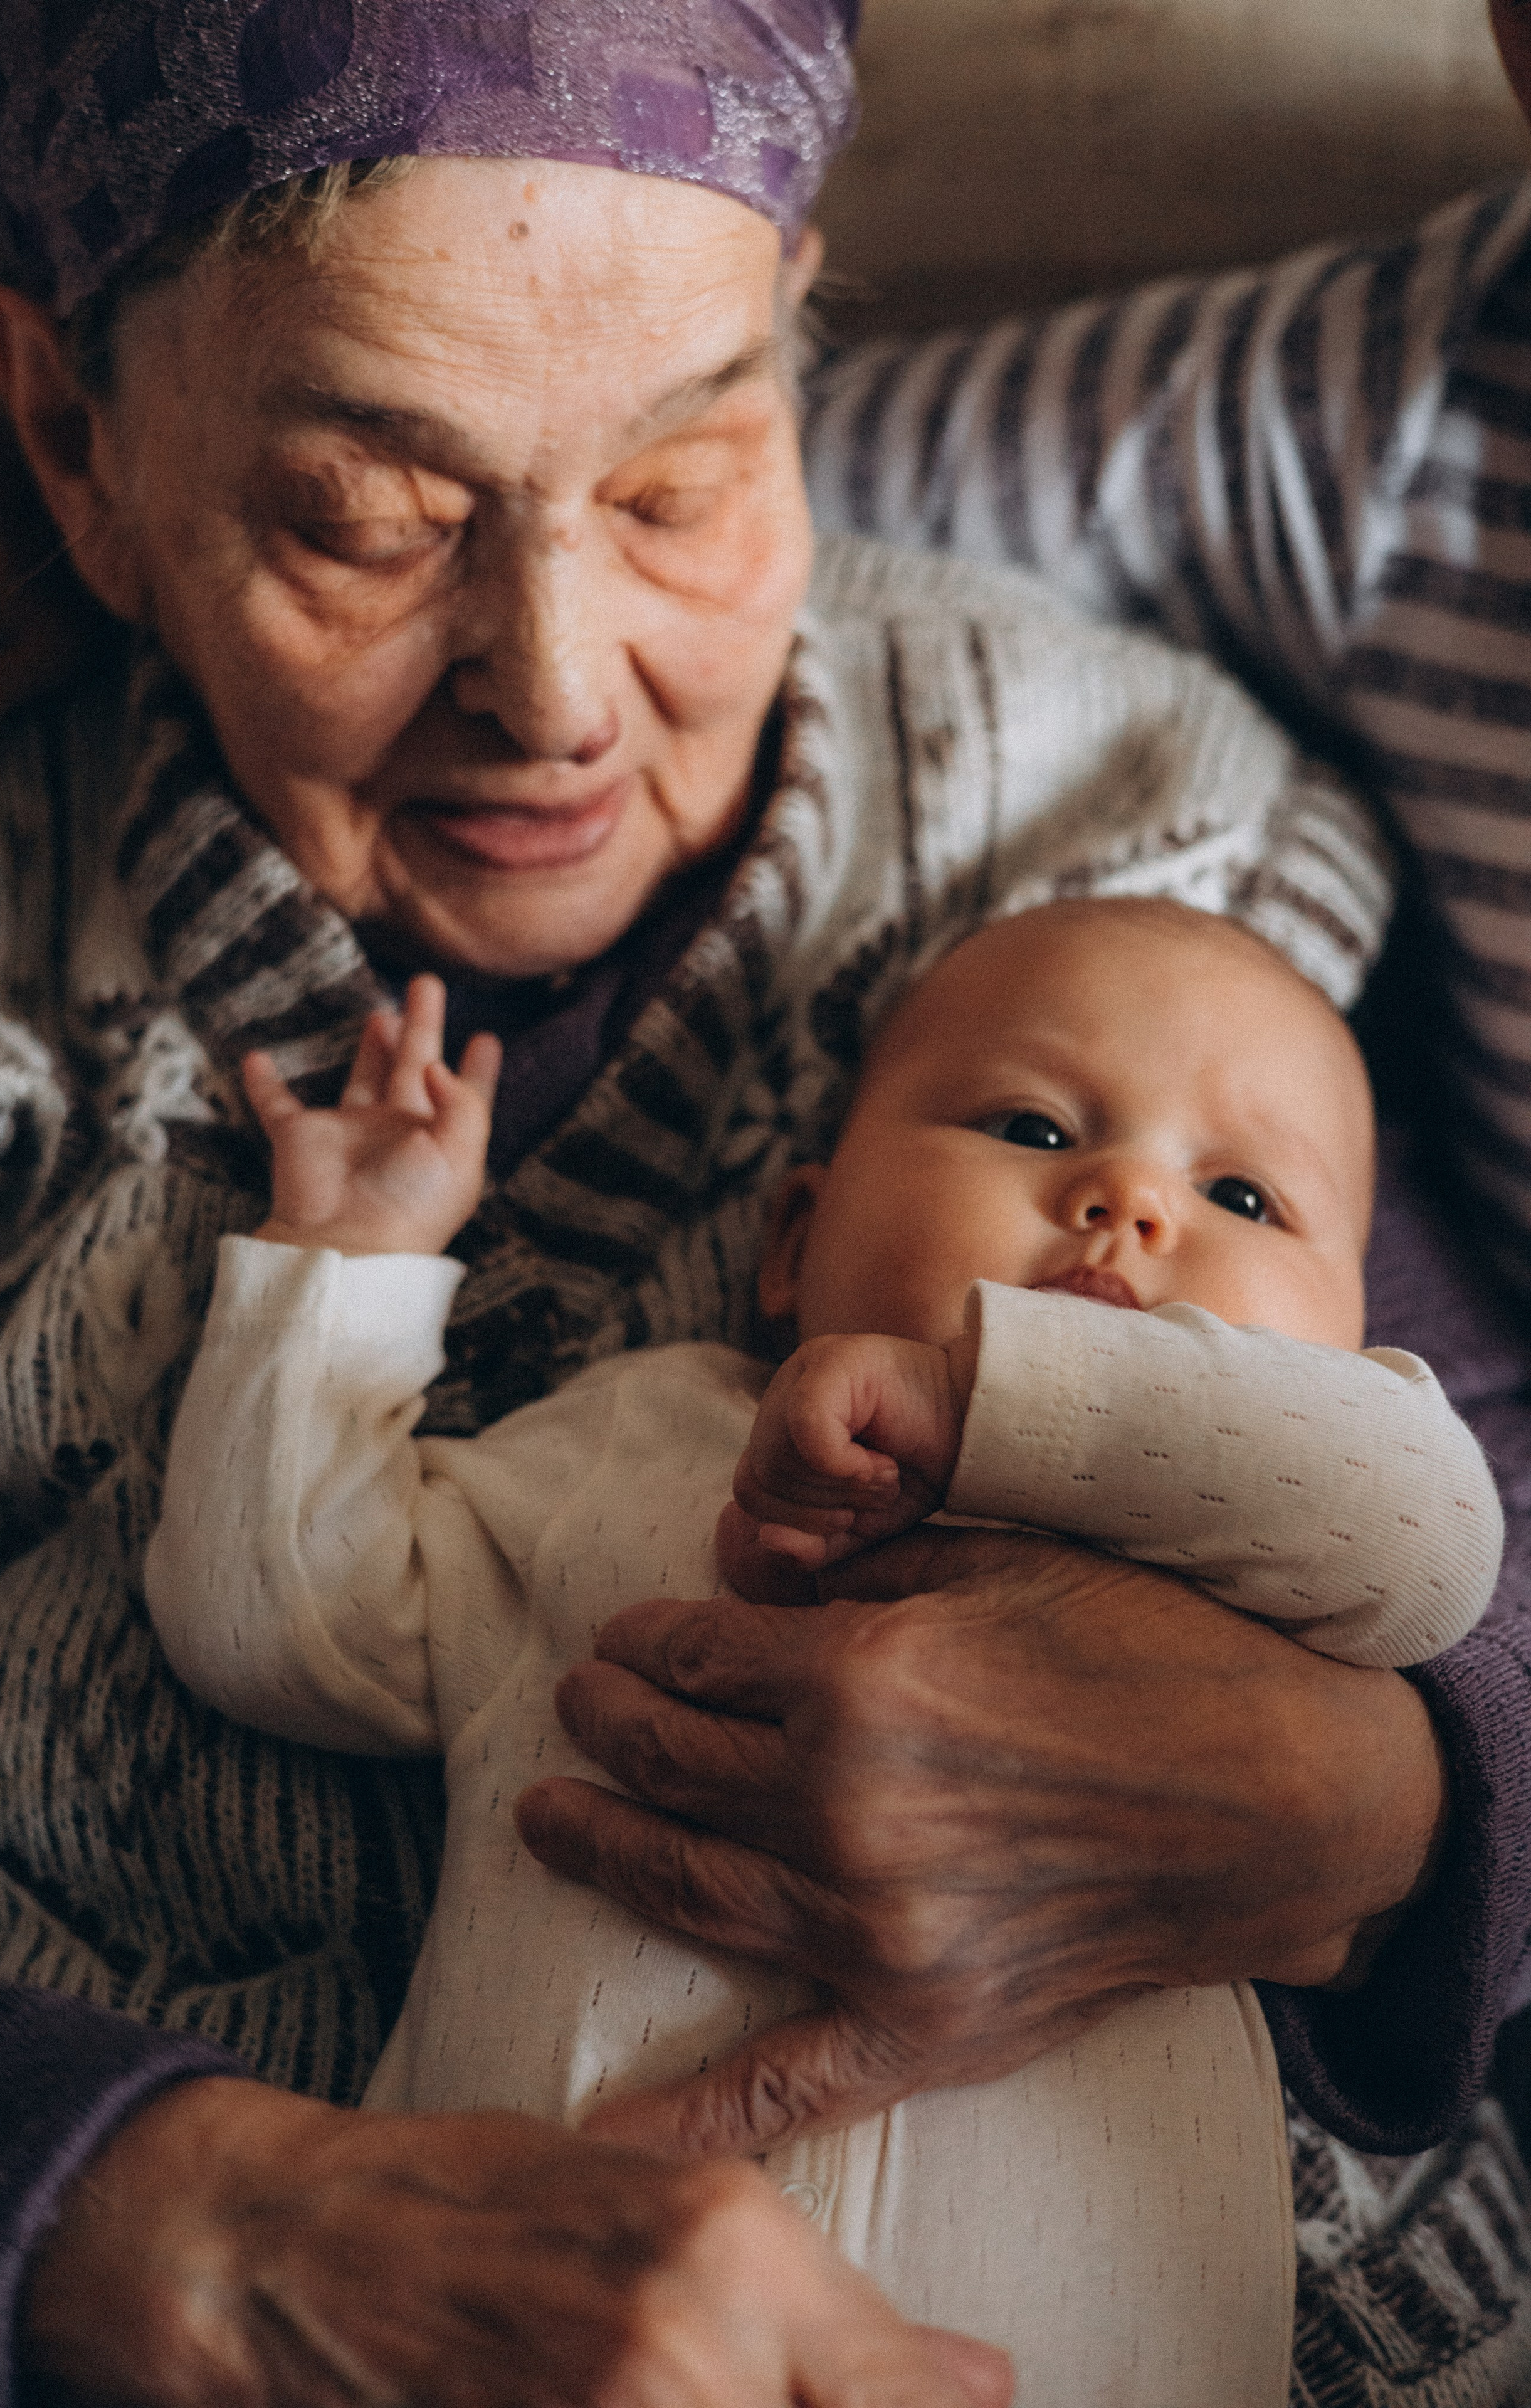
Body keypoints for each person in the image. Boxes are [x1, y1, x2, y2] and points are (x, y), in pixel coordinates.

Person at [0, 3, 1498, 2404]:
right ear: (68, 432)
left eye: (683, 479)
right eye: (364, 514)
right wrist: (164, 2216)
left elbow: (1467, 1487)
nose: (558, 693)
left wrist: (1395, 1804)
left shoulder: (1133, 836)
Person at [143, 897, 1502, 2408]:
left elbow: (1429, 1534)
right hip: (562, 2332)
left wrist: (1006, 1400)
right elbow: (280, 1623)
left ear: (1353, 1352)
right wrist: (342, 1269)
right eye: (1031, 1127)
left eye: (1243, 1201)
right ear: (794, 1239)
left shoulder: (1269, 1577)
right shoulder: (635, 1442)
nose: (1125, 1201)